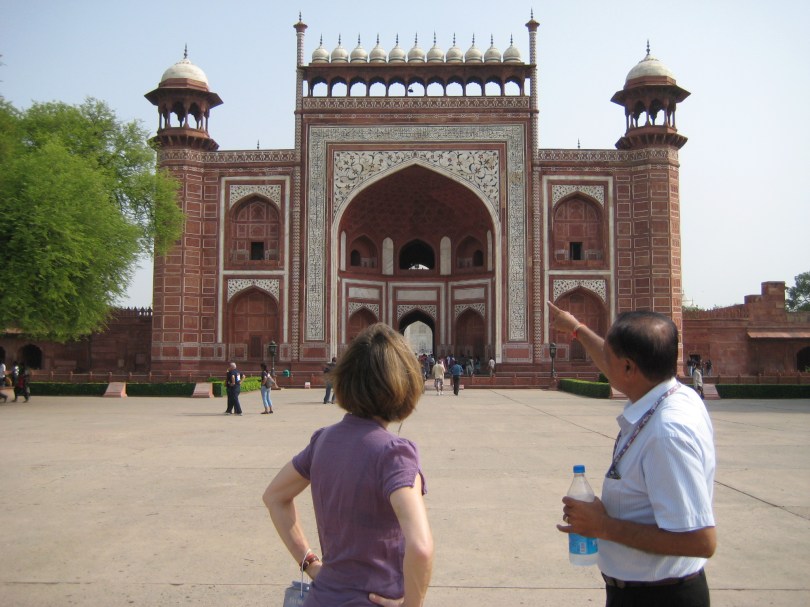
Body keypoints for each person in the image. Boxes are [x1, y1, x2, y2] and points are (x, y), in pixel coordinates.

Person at [548, 301, 716, 607]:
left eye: (609, 360)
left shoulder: (668, 434)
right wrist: (576, 328)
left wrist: (603, 526)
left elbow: (700, 541)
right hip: (643, 591)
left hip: (660, 598)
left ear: (628, 368)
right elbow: (614, 361)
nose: (603, 364)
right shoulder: (675, 396)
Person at [262, 323, 433, 607]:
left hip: (321, 597)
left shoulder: (323, 440)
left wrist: (310, 563)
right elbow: (421, 547)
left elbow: (274, 497)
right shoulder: (394, 453)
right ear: (406, 383)